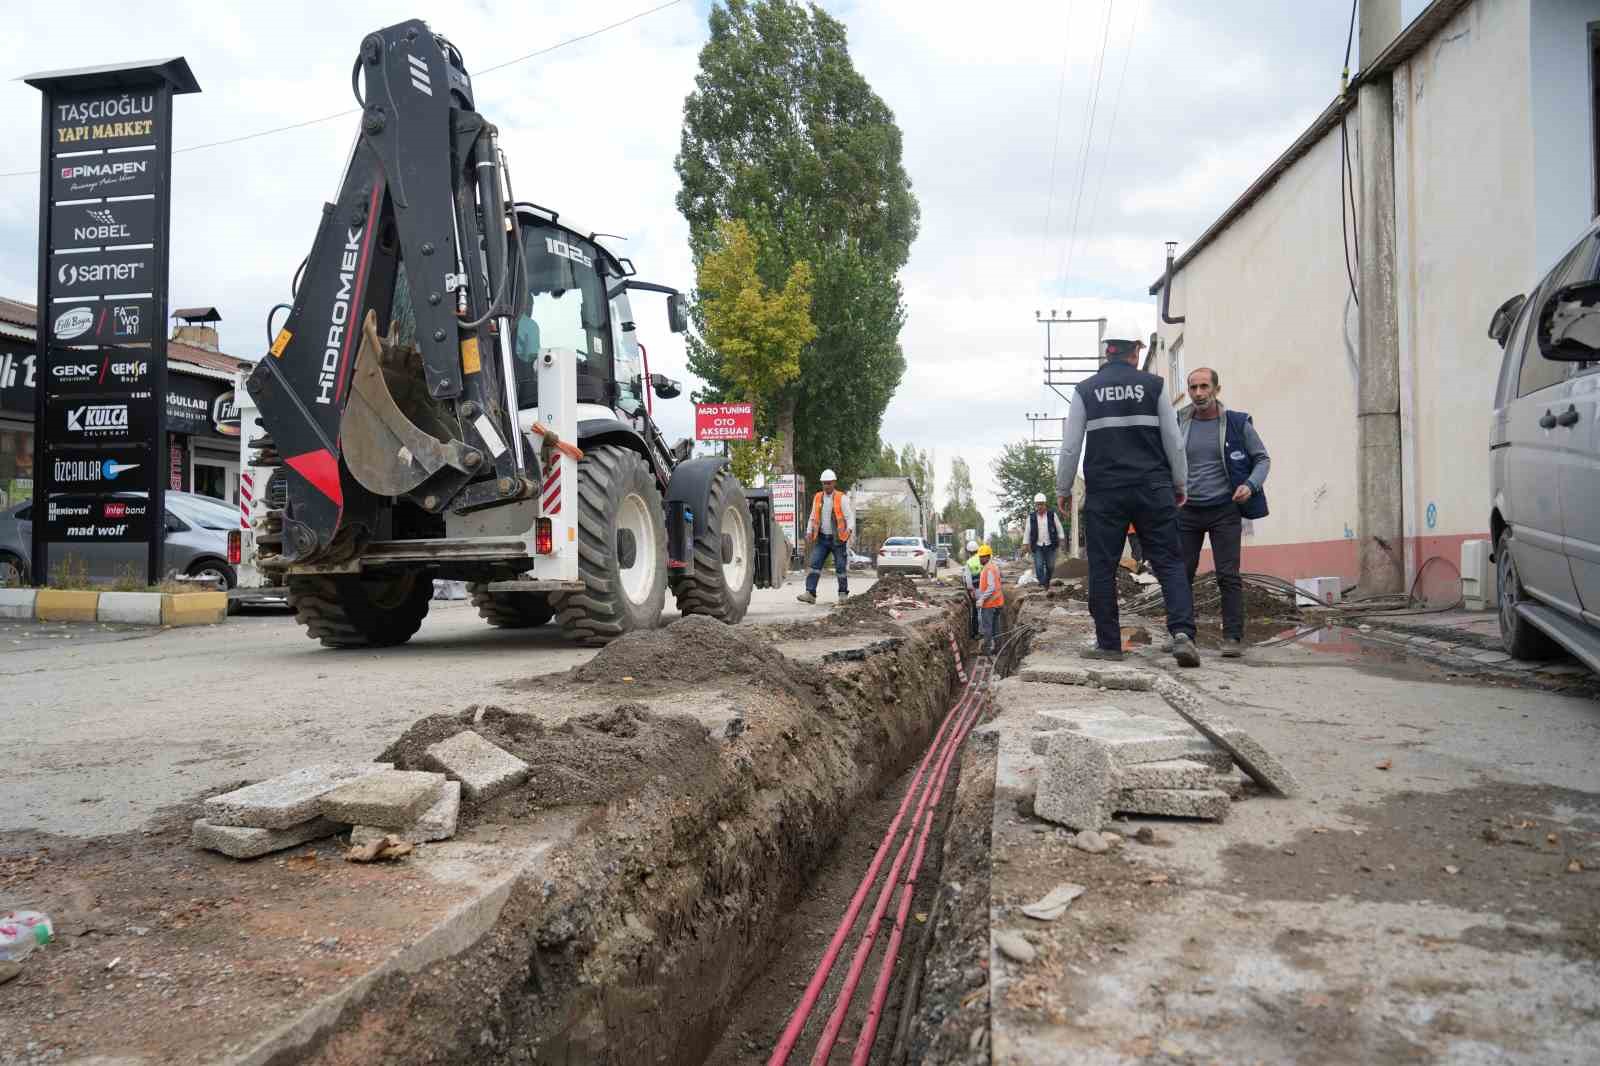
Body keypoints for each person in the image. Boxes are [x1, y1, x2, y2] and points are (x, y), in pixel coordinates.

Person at [1055, 319, 1201, 667]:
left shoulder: (1085, 390)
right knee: (1169, 562)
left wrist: (1064, 489)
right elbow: (1174, 443)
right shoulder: (1154, 386)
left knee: (1103, 567)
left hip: (1105, 492)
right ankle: (1182, 633)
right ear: (1136, 351)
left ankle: (1109, 644)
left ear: (1107, 352)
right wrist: (1180, 483)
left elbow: (1070, 448)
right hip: (1153, 487)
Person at [1179, 367, 1271, 658]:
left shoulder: (1237, 423)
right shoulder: (1179, 421)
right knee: (1181, 574)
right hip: (1187, 510)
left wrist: (1250, 484)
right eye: (1193, 387)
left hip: (1225, 509)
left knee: (1227, 575)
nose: (1198, 393)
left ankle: (1232, 637)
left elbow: (1262, 459)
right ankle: (1181, 635)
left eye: (1204, 387)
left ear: (1217, 390)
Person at [797, 469, 854, 604]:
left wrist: (849, 530)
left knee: (840, 567)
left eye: (828, 483)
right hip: (822, 538)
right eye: (824, 483)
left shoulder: (841, 498)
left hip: (838, 539)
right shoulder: (818, 497)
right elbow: (812, 516)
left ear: (834, 483)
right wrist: (809, 531)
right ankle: (810, 593)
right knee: (814, 564)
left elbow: (849, 517)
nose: (826, 486)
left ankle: (842, 594)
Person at [1026, 492, 1064, 587]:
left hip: (1050, 544)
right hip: (1037, 545)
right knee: (1039, 566)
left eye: (1041, 504)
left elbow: (1059, 527)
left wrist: (1062, 538)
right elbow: (1027, 531)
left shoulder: (1052, 515)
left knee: (1050, 566)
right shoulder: (1031, 517)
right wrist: (1025, 543)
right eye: (1038, 504)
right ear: (1035, 505)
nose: (1040, 506)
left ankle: (1046, 581)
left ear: (1045, 504)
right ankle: (1043, 583)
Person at [975, 543, 1004, 654]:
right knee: (996, 627)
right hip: (998, 602)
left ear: (987, 556)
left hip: (990, 604)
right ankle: (998, 649)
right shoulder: (994, 566)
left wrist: (982, 599)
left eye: (982, 556)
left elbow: (991, 587)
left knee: (988, 628)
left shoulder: (989, 569)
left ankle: (986, 650)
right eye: (980, 556)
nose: (980, 558)